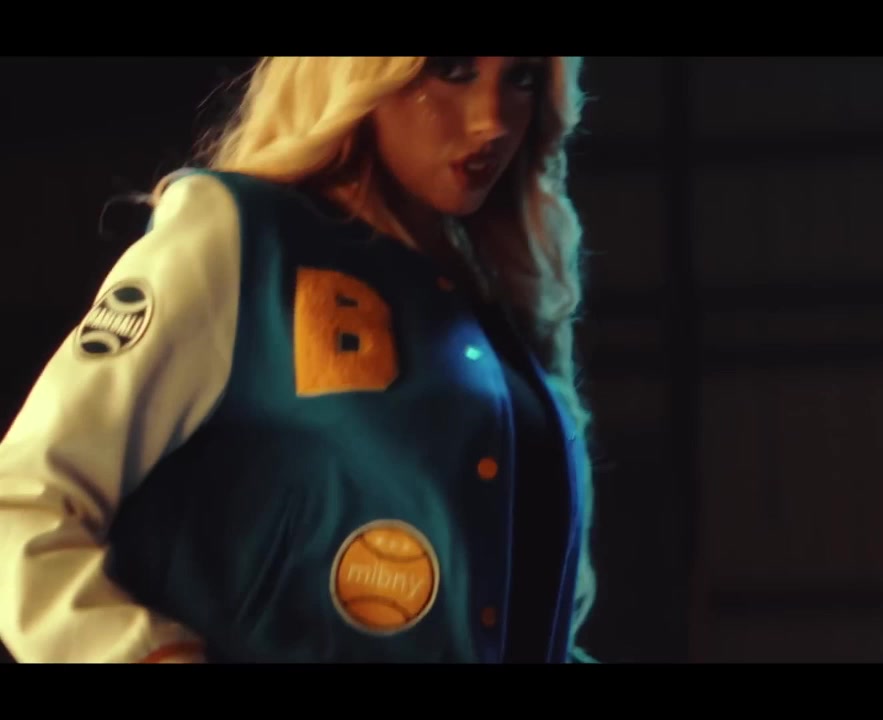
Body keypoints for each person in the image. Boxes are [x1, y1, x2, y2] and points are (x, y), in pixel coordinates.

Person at [0, 56, 598, 663]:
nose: (494, 120)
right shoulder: (240, 238)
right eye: (452, 69)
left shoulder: (500, 314)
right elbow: (18, 500)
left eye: (522, 78)